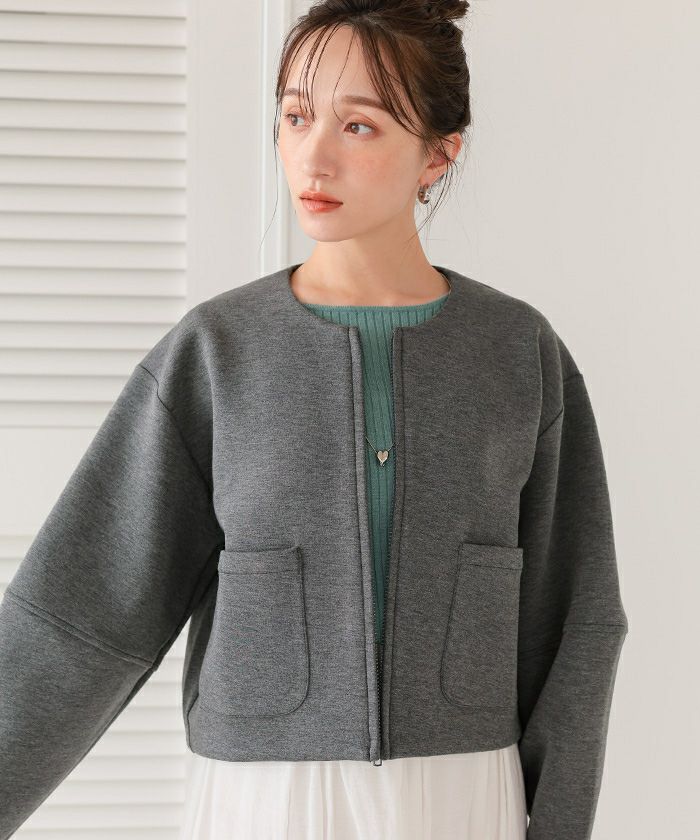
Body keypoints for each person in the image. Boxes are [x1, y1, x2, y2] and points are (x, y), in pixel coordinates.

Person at [0, 2, 628, 839]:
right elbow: (81, 614)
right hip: (265, 801)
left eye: (358, 125)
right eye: (295, 117)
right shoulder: (217, 351)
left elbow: (577, 618)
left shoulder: (517, 351)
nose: (313, 155)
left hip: (462, 795)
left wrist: (560, 825)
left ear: (439, 153)